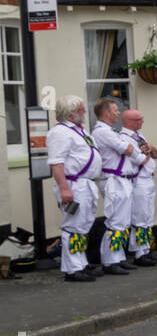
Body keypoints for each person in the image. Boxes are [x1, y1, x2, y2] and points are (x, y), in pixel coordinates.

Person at [46, 95, 103, 282]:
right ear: (70, 114)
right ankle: (72, 269)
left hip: (85, 183)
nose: (84, 112)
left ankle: (81, 263)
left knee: (83, 225)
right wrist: (64, 189)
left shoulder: (79, 131)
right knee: (73, 226)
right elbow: (56, 163)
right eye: (80, 110)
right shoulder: (60, 133)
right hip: (73, 184)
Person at [90, 98, 139, 274]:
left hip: (122, 180)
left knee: (122, 222)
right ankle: (110, 261)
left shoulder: (110, 131)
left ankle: (118, 257)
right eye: (115, 110)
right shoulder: (103, 132)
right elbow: (126, 149)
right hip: (113, 180)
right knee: (115, 222)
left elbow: (130, 149)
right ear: (106, 113)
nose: (118, 112)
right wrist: (132, 149)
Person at [120, 108, 157, 267]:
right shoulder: (124, 138)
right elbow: (141, 159)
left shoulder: (139, 136)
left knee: (148, 218)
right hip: (138, 180)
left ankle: (146, 249)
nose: (142, 121)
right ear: (130, 122)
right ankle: (139, 253)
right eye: (139, 119)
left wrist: (150, 149)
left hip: (148, 179)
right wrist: (147, 151)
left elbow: (155, 154)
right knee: (140, 218)